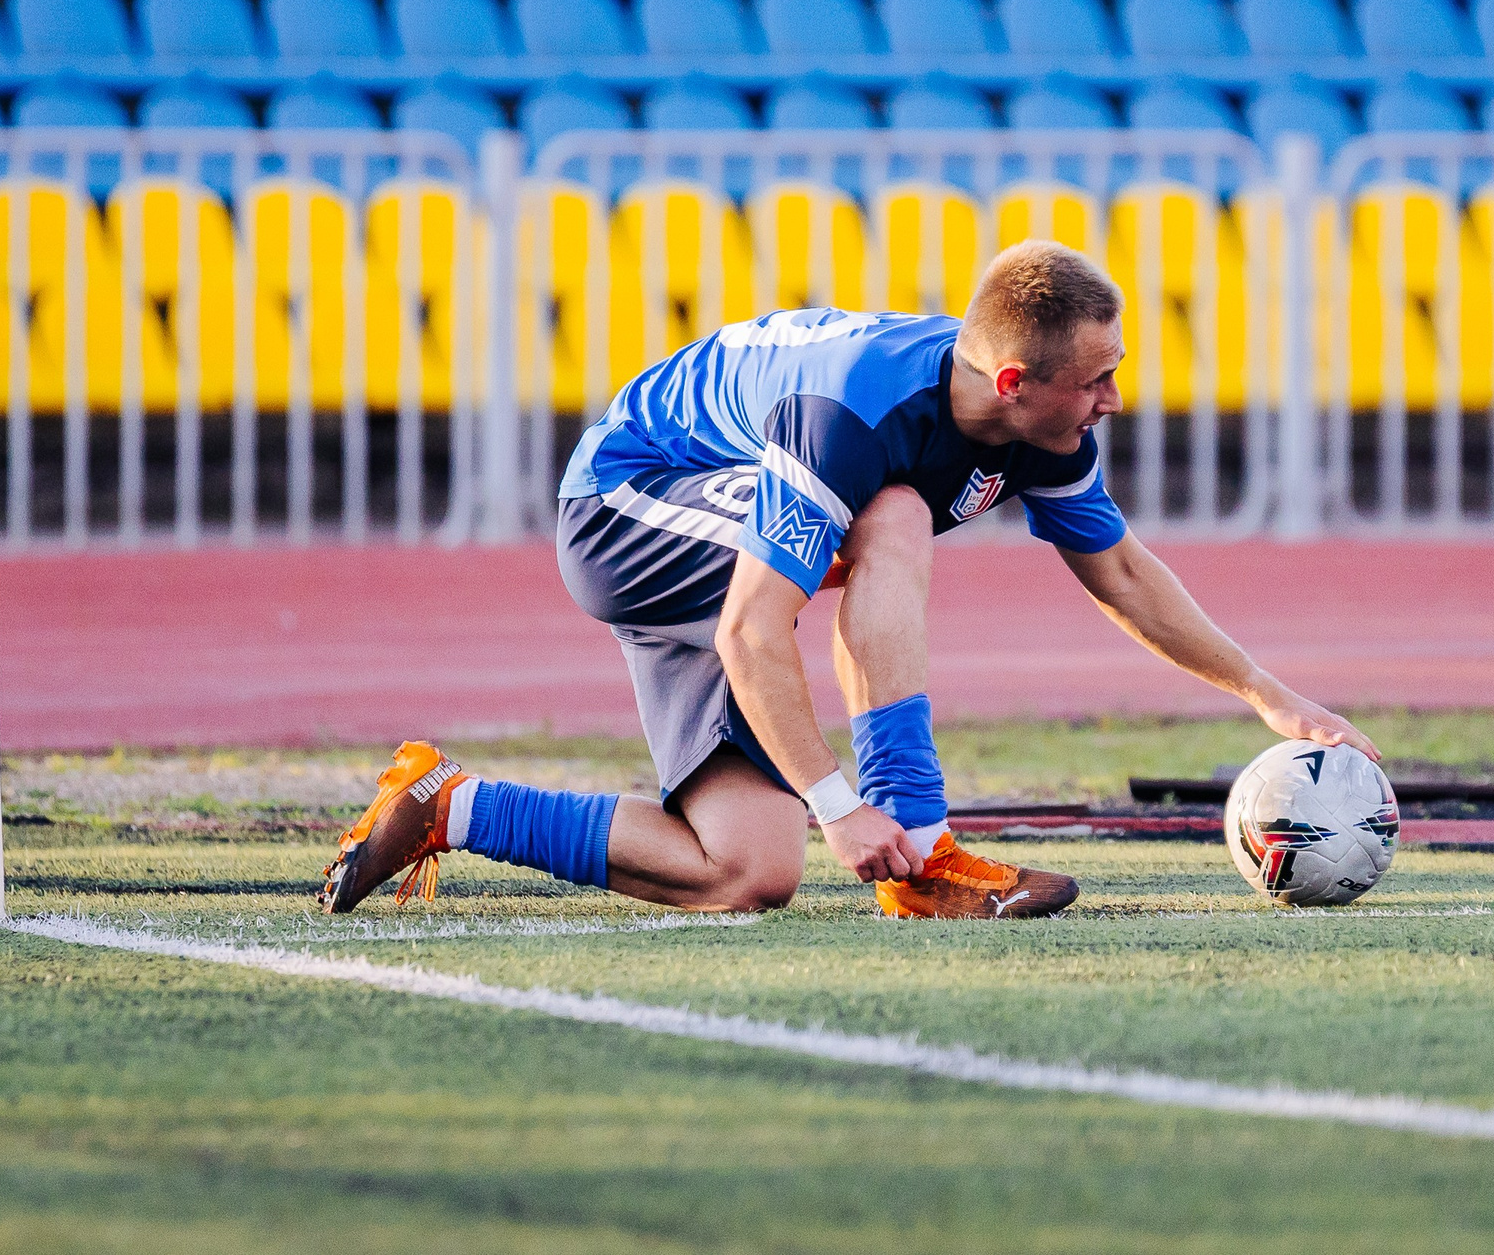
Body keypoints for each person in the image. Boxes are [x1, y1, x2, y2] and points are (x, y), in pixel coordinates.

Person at [319, 239, 1379, 920]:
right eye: (1096, 380)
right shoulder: (856, 423)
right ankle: (922, 851)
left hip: (715, 533)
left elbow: (1126, 575)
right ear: (1015, 383)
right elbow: (751, 630)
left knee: (746, 874)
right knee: (895, 514)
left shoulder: (1039, 426)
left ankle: (449, 803)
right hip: (626, 507)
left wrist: (1266, 694)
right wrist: (839, 803)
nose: (1111, 400)